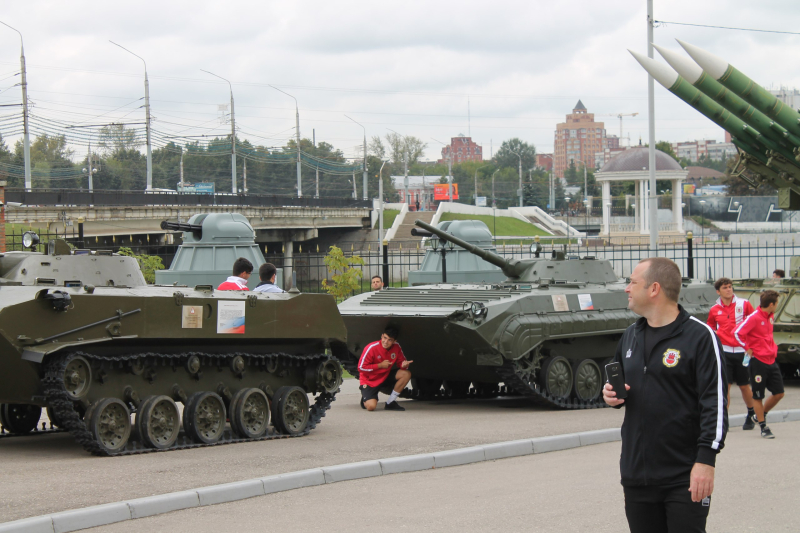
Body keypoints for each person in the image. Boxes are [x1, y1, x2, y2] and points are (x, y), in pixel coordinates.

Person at [603, 257, 727, 533]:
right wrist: (611, 394)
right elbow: (618, 382)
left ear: (654, 289)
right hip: (637, 474)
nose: (626, 288)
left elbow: (715, 403)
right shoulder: (630, 336)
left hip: (684, 475)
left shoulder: (700, 337)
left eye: (632, 282)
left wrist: (706, 460)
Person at [707, 277, 756, 430]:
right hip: (725, 352)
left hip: (744, 351)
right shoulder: (714, 309)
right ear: (718, 291)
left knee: (744, 386)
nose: (728, 290)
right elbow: (710, 327)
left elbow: (754, 324)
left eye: (730, 287)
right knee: (725, 387)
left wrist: (751, 347)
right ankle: (724, 420)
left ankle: (751, 413)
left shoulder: (744, 304)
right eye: (725, 288)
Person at [734, 290, 784, 439]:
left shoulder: (770, 316)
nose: (776, 306)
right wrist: (747, 348)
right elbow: (737, 333)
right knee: (758, 395)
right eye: (776, 304)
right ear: (771, 304)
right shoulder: (754, 318)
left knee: (779, 393)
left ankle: (760, 415)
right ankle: (763, 426)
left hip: (771, 359)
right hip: (758, 361)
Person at [358, 326, 412, 411]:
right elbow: (361, 368)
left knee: (406, 374)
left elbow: (401, 363)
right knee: (371, 407)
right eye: (385, 338)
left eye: (390, 340)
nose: (386, 342)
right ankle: (366, 397)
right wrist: (380, 365)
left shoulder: (396, 347)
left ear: (394, 341)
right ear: (382, 336)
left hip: (385, 376)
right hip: (370, 380)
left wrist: (404, 365)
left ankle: (390, 402)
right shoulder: (371, 348)